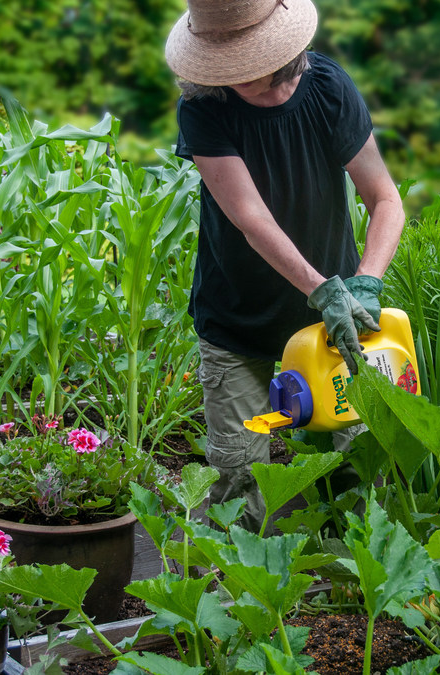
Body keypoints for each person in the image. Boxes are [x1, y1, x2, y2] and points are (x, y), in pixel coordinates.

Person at [165, 0, 405, 532]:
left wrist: (365, 281)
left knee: (364, 464)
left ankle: (357, 589)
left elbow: (385, 199)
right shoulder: (205, 108)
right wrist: (321, 288)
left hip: (338, 322)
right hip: (238, 317)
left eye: (248, 60)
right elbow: (253, 219)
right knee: (239, 476)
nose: (239, 76)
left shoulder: (328, 89)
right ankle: (242, 596)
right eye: (226, 64)